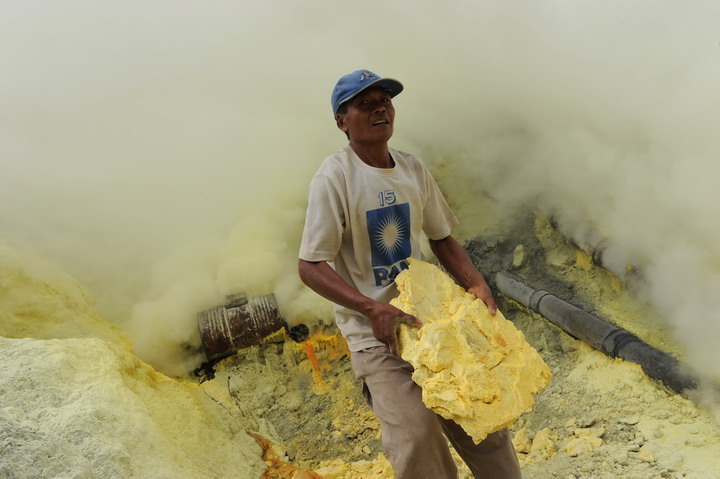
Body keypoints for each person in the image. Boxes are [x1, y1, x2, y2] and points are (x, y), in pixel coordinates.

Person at [298, 69, 522, 479]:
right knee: (418, 437)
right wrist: (371, 308)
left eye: (384, 100)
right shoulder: (334, 178)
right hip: (376, 337)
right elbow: (310, 266)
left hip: (431, 325)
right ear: (342, 121)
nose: (380, 108)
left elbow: (442, 238)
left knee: (486, 426)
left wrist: (475, 282)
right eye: (365, 103)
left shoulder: (412, 169)